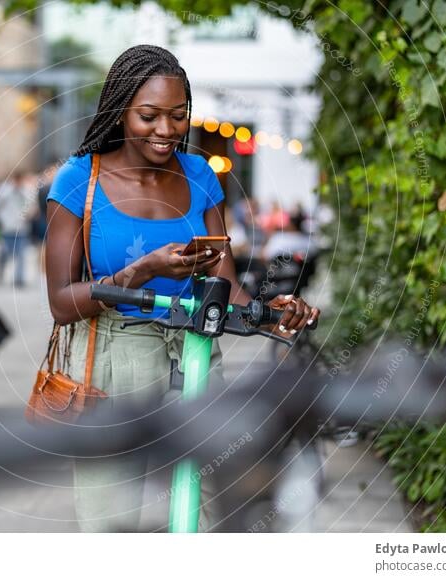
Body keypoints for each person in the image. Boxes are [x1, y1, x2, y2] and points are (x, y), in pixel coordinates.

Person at [45, 45, 320, 533]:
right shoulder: (78, 179)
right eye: (149, 115)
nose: (167, 130)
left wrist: (271, 312)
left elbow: (227, 288)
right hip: (113, 360)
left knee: (200, 515)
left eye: (178, 115)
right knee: (115, 521)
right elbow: (62, 302)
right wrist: (143, 269)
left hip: (194, 355)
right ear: (120, 110)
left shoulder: (200, 176)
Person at [0, 171, 32, 287]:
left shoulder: (26, 191)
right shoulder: (4, 190)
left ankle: (19, 279)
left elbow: (31, 206)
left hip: (21, 228)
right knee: (3, 254)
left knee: (21, 254)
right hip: (6, 227)